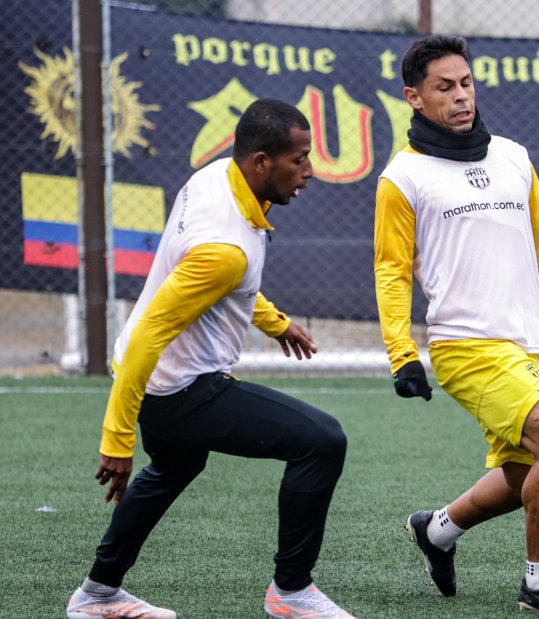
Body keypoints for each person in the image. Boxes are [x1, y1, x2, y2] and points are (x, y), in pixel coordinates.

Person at [66, 98, 356, 619]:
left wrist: (274, 321)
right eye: (300, 159)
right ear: (261, 161)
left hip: (160, 379)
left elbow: (223, 287)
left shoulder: (218, 176)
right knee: (322, 440)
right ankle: (291, 592)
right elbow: (150, 334)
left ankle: (97, 594)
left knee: (174, 467)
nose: (310, 172)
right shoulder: (225, 248)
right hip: (181, 388)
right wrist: (116, 438)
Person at [374, 35, 539, 613]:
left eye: (466, 83)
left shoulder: (513, 156)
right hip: (465, 345)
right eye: (444, 87)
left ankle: (437, 531)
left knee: (522, 469)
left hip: (524, 343)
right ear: (415, 98)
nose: (461, 96)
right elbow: (391, 271)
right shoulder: (402, 177)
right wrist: (401, 353)